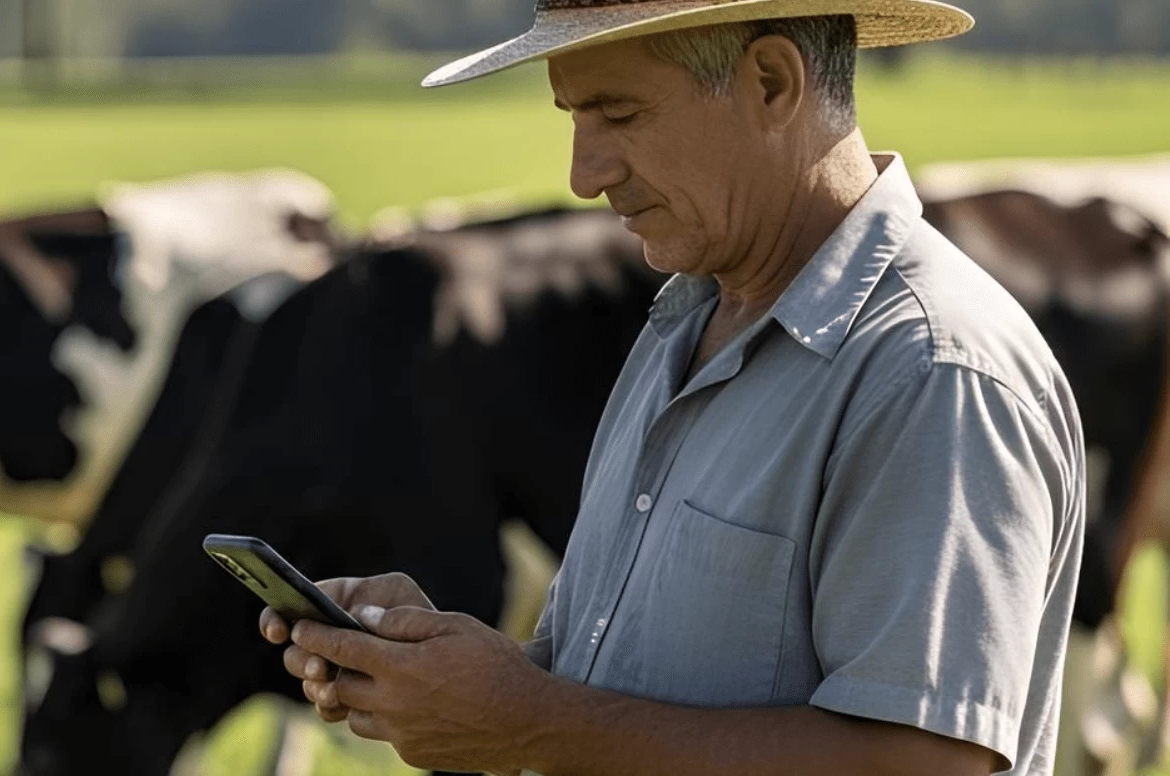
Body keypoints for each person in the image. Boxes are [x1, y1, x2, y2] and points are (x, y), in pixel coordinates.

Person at [261, 2, 1086, 775]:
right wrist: (461, 680)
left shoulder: (931, 372)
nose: (585, 174)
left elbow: (925, 764)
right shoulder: (685, 321)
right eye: (574, 118)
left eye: (620, 114)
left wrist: (529, 720)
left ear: (773, 83)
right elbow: (627, 690)